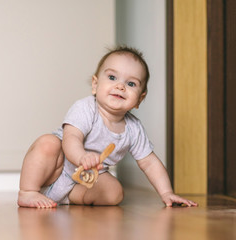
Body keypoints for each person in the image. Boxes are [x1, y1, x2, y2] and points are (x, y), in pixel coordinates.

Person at [17, 46, 198, 208]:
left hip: (85, 181)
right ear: (95, 85)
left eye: (131, 83)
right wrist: (81, 156)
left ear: (140, 99)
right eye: (112, 77)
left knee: (114, 193)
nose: (120, 86)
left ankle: (68, 197)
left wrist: (166, 193)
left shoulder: (133, 128)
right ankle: (28, 191)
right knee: (47, 143)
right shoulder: (85, 108)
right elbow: (71, 138)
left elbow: (150, 163)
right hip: (57, 167)